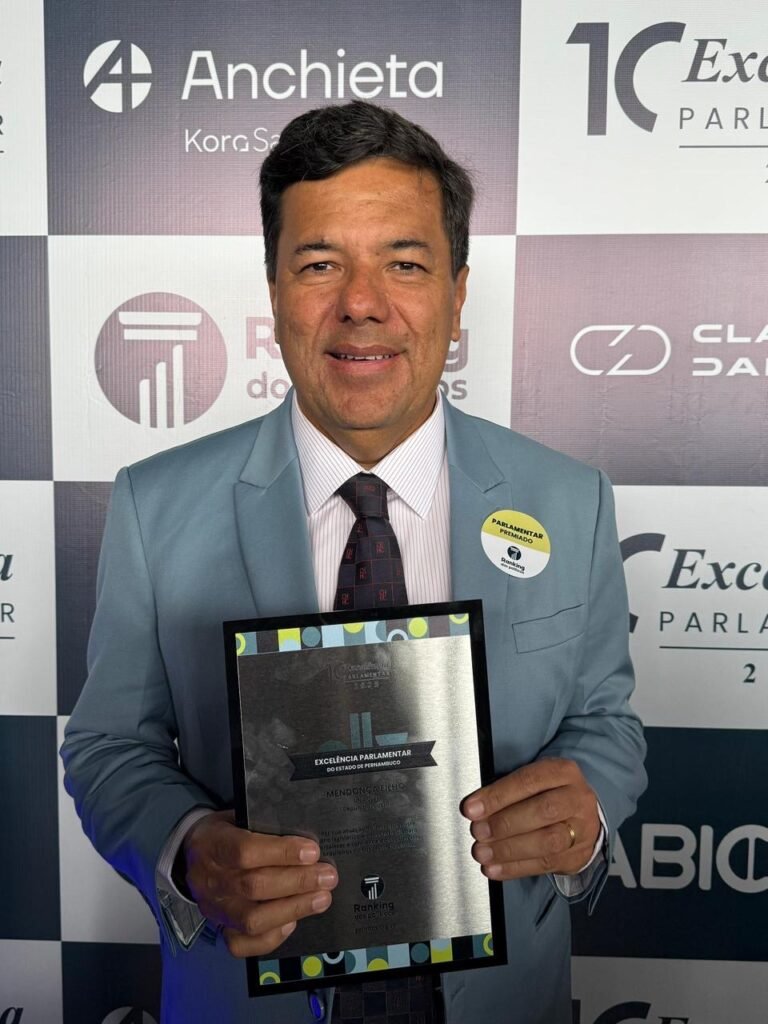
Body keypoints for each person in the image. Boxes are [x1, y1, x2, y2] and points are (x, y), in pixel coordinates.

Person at [62, 101, 646, 1024]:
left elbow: (605, 721)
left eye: (404, 264)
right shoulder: (154, 505)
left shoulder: (570, 501)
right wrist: (187, 847)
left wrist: (588, 811)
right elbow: (107, 747)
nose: (361, 303)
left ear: (457, 293)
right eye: (320, 264)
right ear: (274, 290)